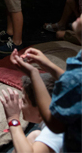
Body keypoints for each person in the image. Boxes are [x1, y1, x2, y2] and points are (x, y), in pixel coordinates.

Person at [10, 15, 82, 153]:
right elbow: (74, 82)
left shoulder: (52, 132)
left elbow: (55, 124)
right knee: (34, 136)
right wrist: (47, 64)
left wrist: (13, 119)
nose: (79, 15)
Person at [0, 73, 64, 153]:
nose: (20, 103)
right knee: (34, 136)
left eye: (24, 101)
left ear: (41, 112)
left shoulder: (54, 131)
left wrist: (13, 119)